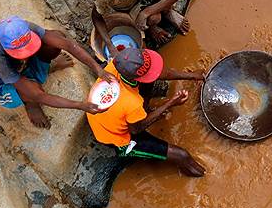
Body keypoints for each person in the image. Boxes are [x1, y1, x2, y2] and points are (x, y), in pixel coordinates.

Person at [86, 47, 205, 177]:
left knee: (150, 82)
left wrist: (192, 76)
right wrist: (170, 103)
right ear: (137, 78)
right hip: (117, 137)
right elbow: (136, 130)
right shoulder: (132, 103)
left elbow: (160, 74)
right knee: (182, 155)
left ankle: (145, 110)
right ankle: (203, 176)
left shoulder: (117, 66)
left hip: (108, 114)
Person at [0, 16, 116, 128]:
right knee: (32, 91)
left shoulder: (25, 28)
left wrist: (97, 69)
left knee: (57, 37)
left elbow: (67, 44)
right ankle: (30, 105)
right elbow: (39, 95)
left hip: (23, 65)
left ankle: (46, 68)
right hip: (7, 84)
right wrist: (80, 105)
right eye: (22, 52)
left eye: (28, 47)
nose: (27, 53)